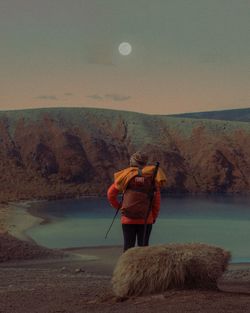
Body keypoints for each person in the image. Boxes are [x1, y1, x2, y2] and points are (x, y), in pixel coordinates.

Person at [107, 151, 166, 252]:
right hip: (146, 219)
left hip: (127, 219)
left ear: (132, 162)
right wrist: (153, 217)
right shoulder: (151, 178)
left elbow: (110, 194)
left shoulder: (125, 176)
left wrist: (119, 207)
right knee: (143, 250)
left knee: (128, 248)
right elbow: (156, 201)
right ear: (145, 163)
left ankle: (126, 267)